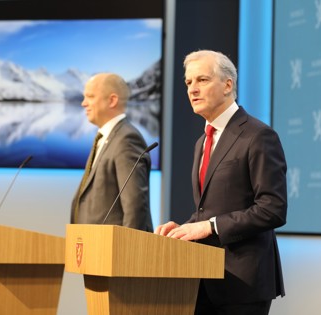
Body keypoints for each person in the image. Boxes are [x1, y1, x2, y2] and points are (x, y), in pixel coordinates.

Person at [155, 50, 287, 314]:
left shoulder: (258, 135)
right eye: (188, 82)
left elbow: (272, 208)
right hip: (205, 278)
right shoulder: (202, 141)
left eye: (202, 80)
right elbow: (210, 210)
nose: (192, 89)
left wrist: (209, 226)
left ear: (228, 85)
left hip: (243, 282)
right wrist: (184, 229)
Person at [71, 72, 153, 232]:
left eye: (90, 96)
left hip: (114, 250)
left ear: (112, 100)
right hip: (91, 245)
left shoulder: (127, 139)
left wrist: (128, 251)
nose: (83, 103)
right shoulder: (106, 137)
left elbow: (134, 205)